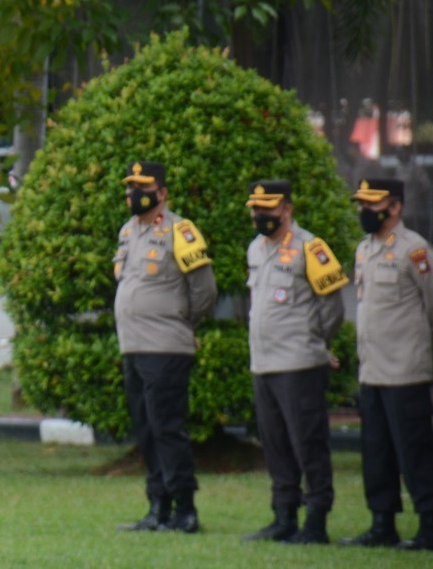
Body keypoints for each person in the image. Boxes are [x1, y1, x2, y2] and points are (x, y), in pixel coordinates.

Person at [113, 161, 217, 534]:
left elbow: (204, 291)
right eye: (130, 186)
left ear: (162, 193)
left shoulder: (180, 230)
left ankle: (184, 509)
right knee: (145, 427)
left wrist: (180, 324)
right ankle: (157, 506)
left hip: (165, 347)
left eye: (143, 186)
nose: (134, 193)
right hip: (134, 346)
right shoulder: (129, 231)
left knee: (166, 427)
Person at [241, 180, 346, 544]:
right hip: (264, 364)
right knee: (275, 443)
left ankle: (316, 519)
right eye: (255, 209)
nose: (260, 215)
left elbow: (332, 307)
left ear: (287, 208)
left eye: (267, 208)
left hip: (299, 363)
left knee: (307, 442)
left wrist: (315, 342)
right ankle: (283, 515)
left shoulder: (310, 248)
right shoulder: (256, 249)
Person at [338, 178, 433, 551]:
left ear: (394, 207)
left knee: (415, 452)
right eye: (361, 203)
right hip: (372, 369)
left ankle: (428, 525)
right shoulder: (365, 249)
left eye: (372, 204)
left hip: (407, 369)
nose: (365, 211)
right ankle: (382, 523)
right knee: (376, 451)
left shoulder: (415, 250)